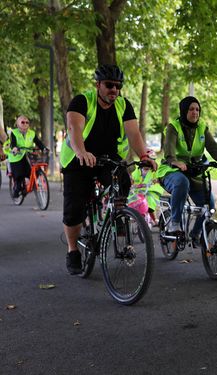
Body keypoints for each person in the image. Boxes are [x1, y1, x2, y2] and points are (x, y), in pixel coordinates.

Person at [61, 64, 156, 275]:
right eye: (109, 85)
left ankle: (118, 214)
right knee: (74, 209)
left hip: (108, 157)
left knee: (123, 179)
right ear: (98, 85)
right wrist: (81, 152)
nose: (114, 89)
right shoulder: (82, 101)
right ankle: (73, 249)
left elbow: (134, 134)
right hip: (79, 160)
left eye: (118, 86)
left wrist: (143, 156)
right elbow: (74, 128)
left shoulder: (124, 105)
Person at [156, 96, 217, 242]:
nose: (195, 112)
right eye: (191, 109)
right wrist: (175, 161)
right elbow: (169, 149)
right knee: (181, 182)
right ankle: (175, 223)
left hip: (194, 171)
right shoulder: (173, 127)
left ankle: (196, 234)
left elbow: (212, 145)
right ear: (184, 111)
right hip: (172, 171)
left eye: (197, 109)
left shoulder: (202, 127)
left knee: (209, 205)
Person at [8, 116, 47, 197]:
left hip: (27, 155)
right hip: (16, 156)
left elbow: (38, 142)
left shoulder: (32, 133)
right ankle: (17, 189)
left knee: (30, 172)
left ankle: (30, 185)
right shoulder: (14, 132)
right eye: (22, 122)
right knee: (19, 174)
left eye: (27, 122)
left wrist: (43, 148)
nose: (25, 124)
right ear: (18, 124)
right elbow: (13, 143)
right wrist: (15, 148)